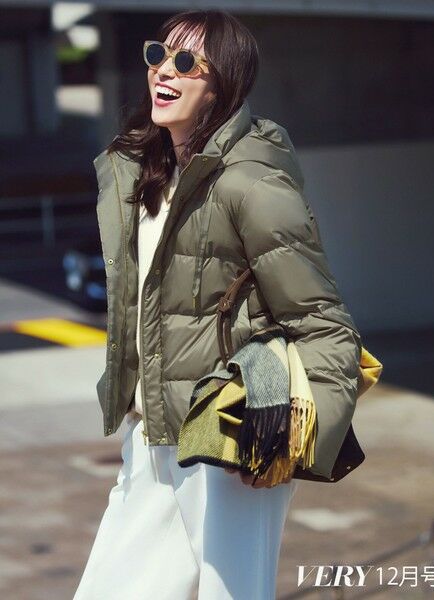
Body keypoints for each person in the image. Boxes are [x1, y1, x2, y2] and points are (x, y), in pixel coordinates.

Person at [73, 7, 363, 600]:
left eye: (186, 62)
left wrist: (293, 445)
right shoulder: (144, 176)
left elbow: (323, 324)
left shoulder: (251, 183)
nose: (164, 71)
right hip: (152, 435)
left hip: (229, 444)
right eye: (158, 55)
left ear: (221, 86)